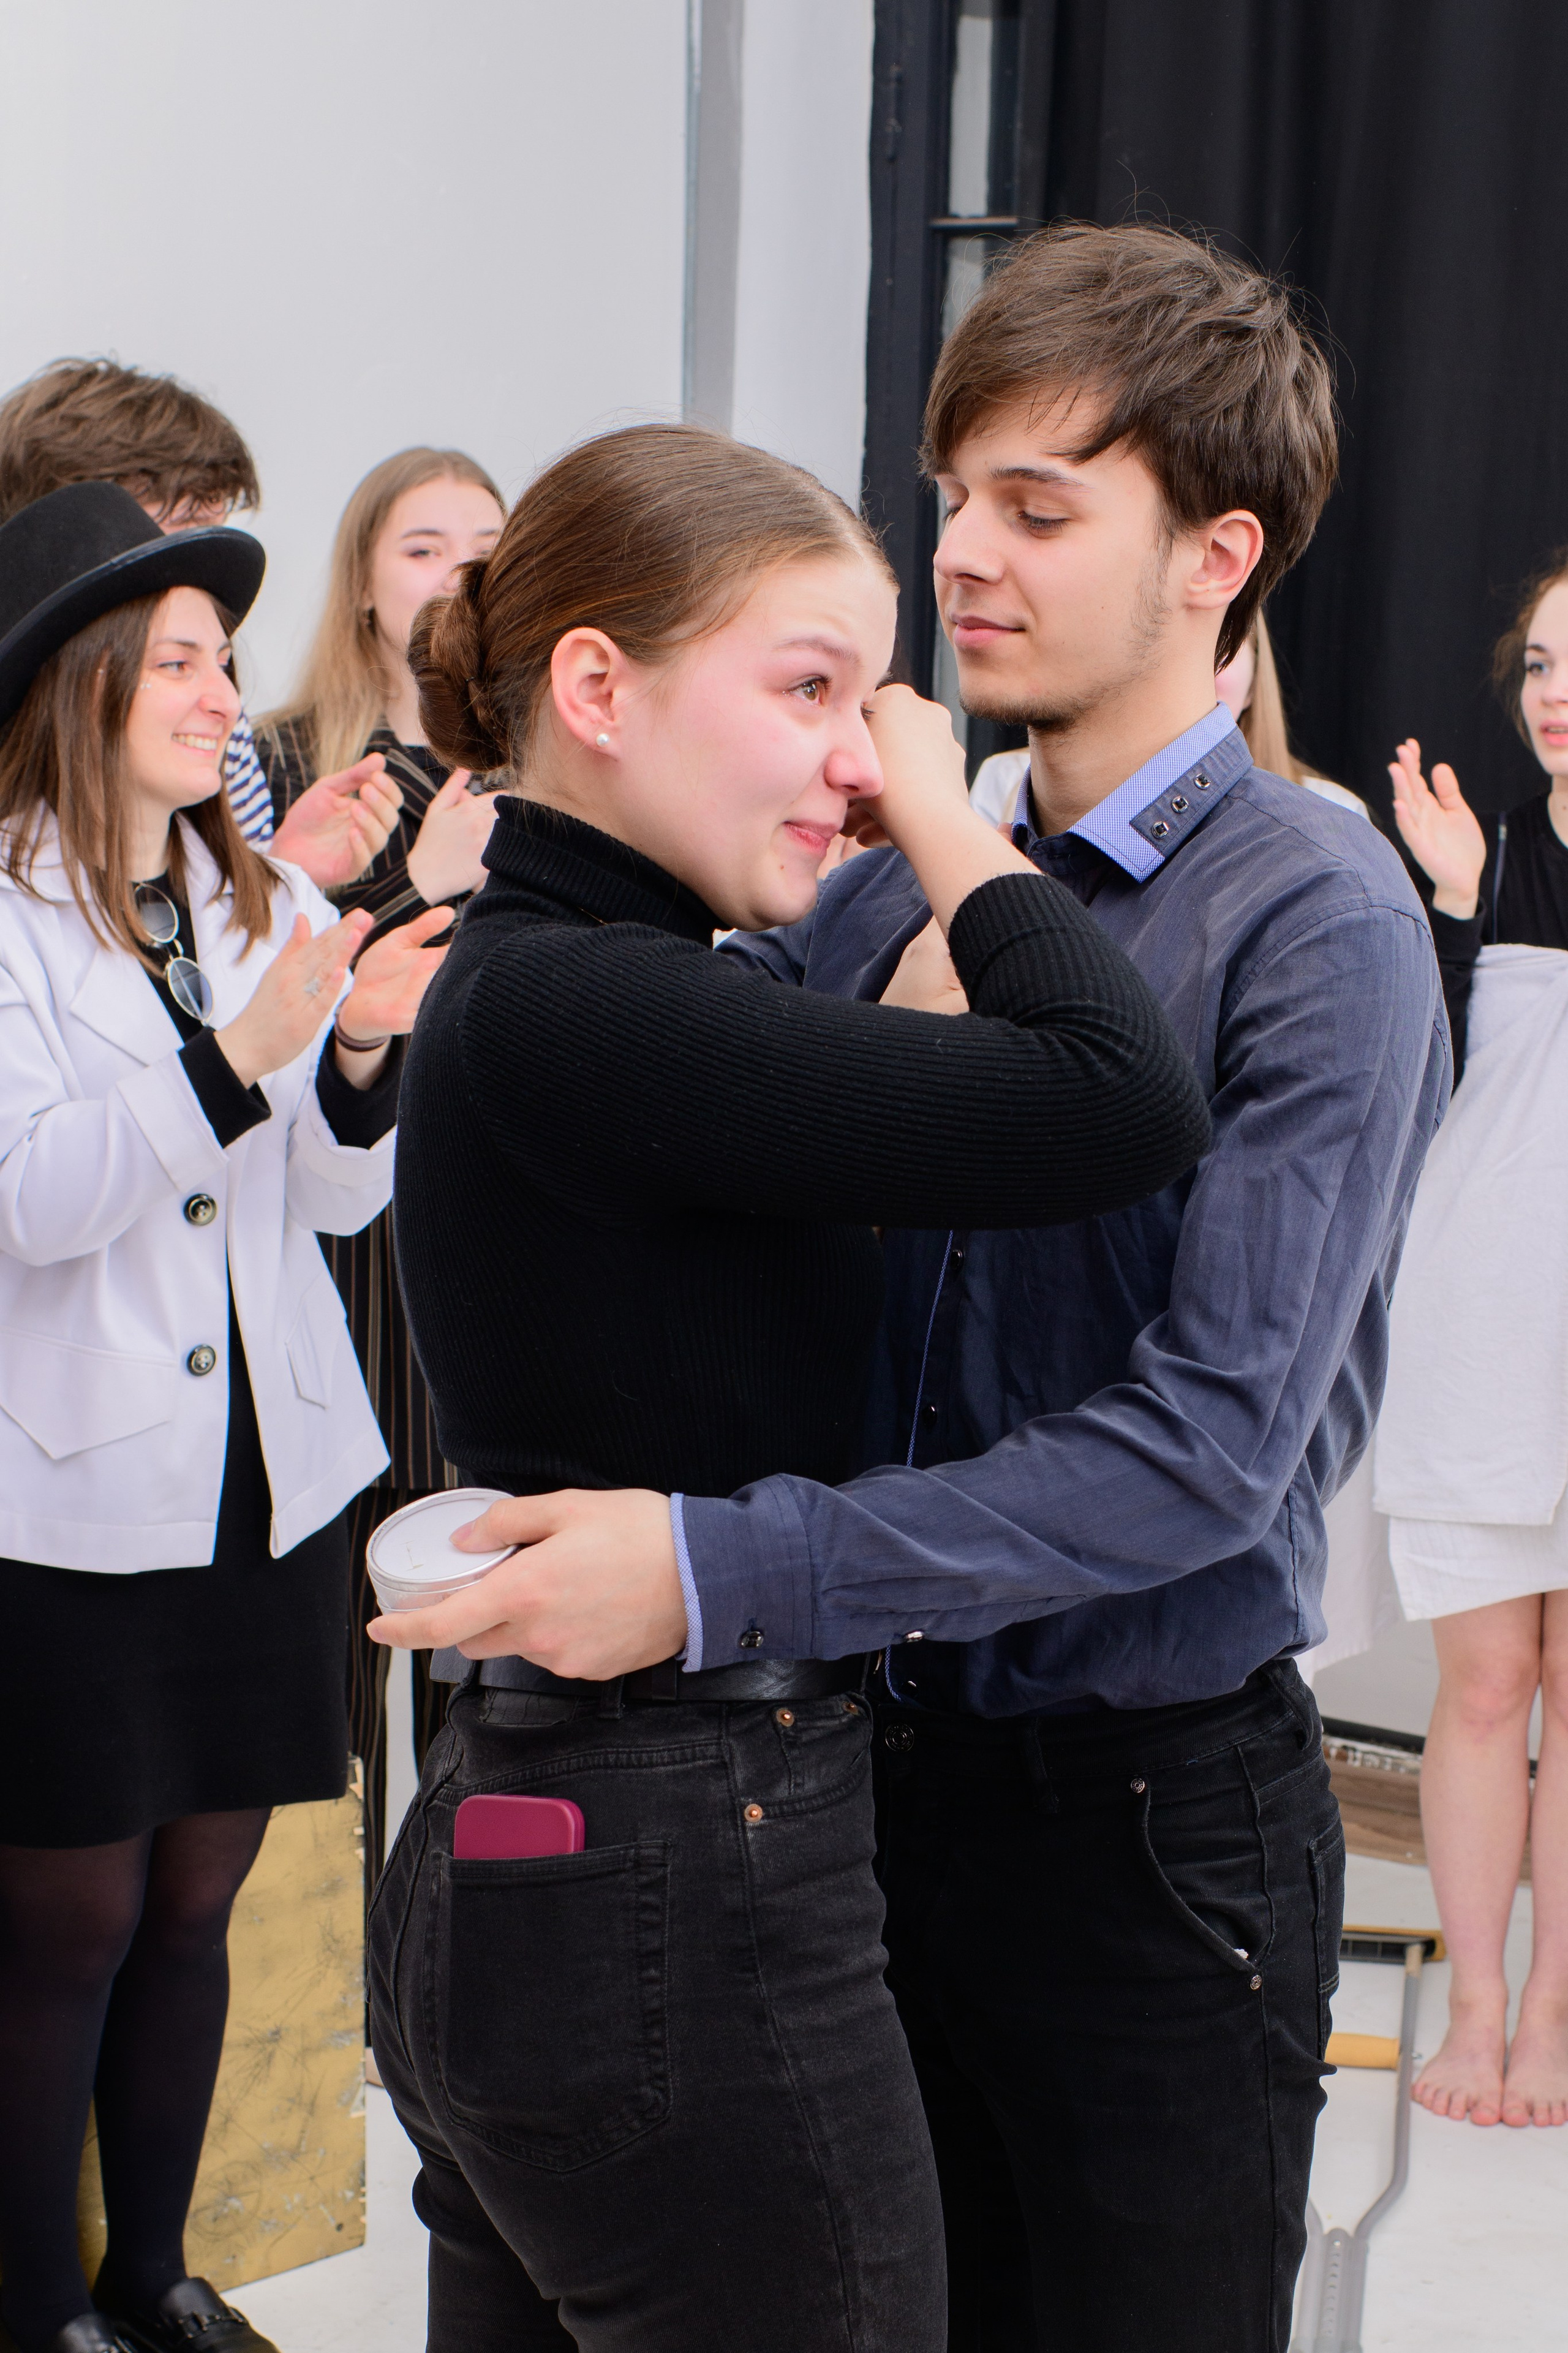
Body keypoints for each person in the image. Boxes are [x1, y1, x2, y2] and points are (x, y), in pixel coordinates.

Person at [447, 227, 1451, 2352]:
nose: (967, 557)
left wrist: (729, 1570)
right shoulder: (875, 876)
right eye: (957, 492)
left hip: (1146, 1838)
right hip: (847, 1811)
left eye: (1041, 506)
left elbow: (1209, 1455)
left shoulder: (1315, 915)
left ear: (1218, 554)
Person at [364, 418, 1212, 2351]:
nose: (853, 745)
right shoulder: (596, 999)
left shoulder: (599, 990)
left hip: (545, 1843)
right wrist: (945, 807)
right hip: (674, 1860)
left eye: (872, 699)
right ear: (597, 684)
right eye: (812, 686)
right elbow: (1117, 1091)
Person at [0, 483, 450, 2353]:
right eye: (182, 660)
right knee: (66, 1926)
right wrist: (245, 1050)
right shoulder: (9, 911)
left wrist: (350, 1055)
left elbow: (333, 1205)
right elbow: (33, 1201)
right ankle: (33, 2309)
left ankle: (154, 2272)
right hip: (80, 1502)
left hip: (270, 1486)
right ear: (89, 684)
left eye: (221, 658)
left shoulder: (248, 894)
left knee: (202, 1896)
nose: (221, 695)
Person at [255, 448, 507, 1898]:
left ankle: (454, 1985)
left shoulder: (542, 774)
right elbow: (257, 989)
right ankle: (315, 1984)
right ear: (362, 581)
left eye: (484, 542)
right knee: (331, 1653)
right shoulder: (283, 762)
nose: (458, 569)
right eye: (423, 546)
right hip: (327, 1234)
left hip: (477, 1234)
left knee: (473, 1633)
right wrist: (429, 878)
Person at [1381, 553, 1568, 2130]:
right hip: (1481, 1326)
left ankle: (1554, 2010)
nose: (1554, 694)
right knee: (1488, 1682)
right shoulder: (1478, 856)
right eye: (1537, 666)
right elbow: (1412, 1096)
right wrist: (1443, 908)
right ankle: (1476, 2001)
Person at [0, 357, 404, 886]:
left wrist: (281, 871)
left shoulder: (213, 720)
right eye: (181, 535)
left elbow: (214, 942)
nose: (198, 575)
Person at [973, 605, 1366, 823]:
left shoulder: (1332, 815)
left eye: (1221, 648)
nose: (1195, 670)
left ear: (1255, 678)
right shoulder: (1005, 782)